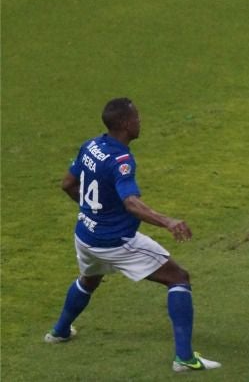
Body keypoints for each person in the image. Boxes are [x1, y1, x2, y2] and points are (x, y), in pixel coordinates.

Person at [44, 98, 221, 372]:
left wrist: (93, 210)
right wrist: (168, 222)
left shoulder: (91, 145)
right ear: (126, 124)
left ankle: (59, 331)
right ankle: (184, 358)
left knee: (89, 278)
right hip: (115, 241)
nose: (140, 121)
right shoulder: (121, 160)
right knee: (179, 278)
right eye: (137, 117)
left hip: (85, 235)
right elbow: (131, 203)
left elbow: (67, 184)